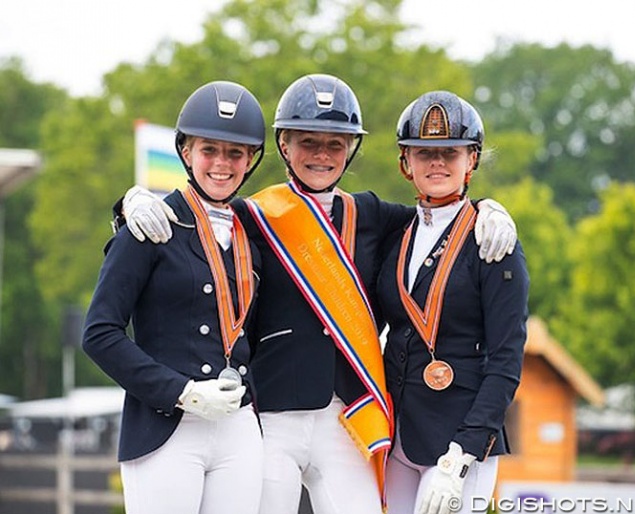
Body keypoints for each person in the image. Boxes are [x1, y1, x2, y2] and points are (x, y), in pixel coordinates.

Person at [118, 74, 518, 514]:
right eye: (308, 142)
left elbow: (441, 216)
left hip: (348, 416)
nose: (322, 155)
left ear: (350, 150)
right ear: (285, 147)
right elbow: (194, 217)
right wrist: (129, 204)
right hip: (273, 413)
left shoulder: (373, 216)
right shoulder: (253, 216)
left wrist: (490, 209)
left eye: (335, 144)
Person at [82, 81, 267, 514]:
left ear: (251, 160)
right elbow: (99, 333)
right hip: (168, 422)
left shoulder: (252, 235)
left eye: (235, 153)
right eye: (209, 150)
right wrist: (180, 391)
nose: (222, 164)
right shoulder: (152, 226)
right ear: (186, 152)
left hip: (238, 426)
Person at [376, 90, 529, 514]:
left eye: (450, 152)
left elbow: (505, 358)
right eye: (424, 153)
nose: (437, 163)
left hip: (457, 441)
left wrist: (465, 450)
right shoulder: (395, 233)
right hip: (398, 435)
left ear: (472, 160)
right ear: (405, 162)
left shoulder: (493, 241)